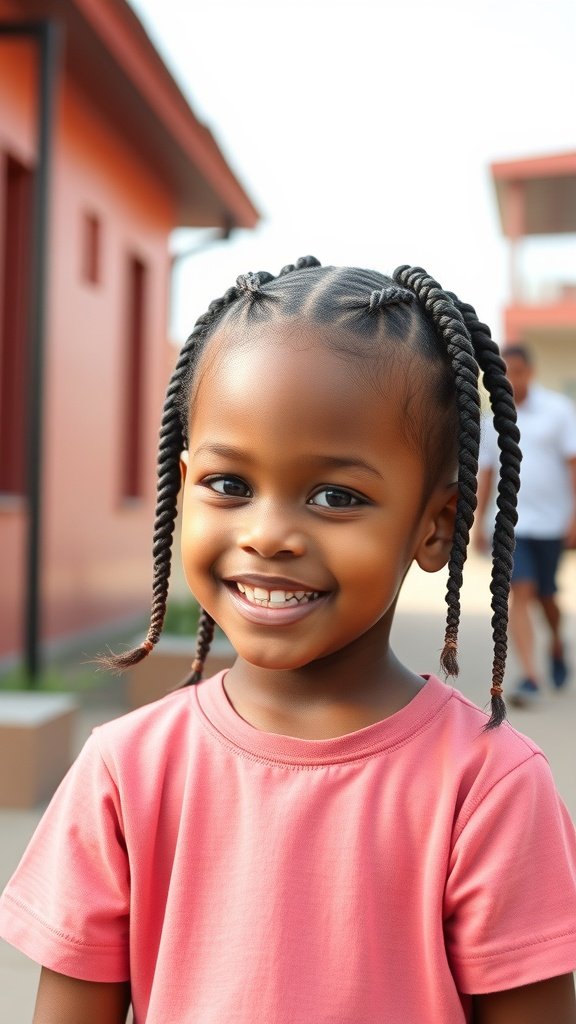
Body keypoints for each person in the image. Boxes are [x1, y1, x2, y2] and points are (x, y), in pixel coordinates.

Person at [1, 259, 576, 1024]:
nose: (268, 535)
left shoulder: (489, 791)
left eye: (336, 496)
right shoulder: (123, 772)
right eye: (229, 485)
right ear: (182, 485)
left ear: (436, 524)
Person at [476, 343, 576, 707]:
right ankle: (531, 676)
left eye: (516, 371)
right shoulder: (492, 422)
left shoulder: (559, 412)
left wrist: (573, 515)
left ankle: (557, 643)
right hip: (510, 524)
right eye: (501, 372)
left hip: (552, 523)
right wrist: (479, 523)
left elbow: (573, 465)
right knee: (521, 590)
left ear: (529, 372)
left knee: (547, 597)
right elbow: (486, 475)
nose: (509, 379)